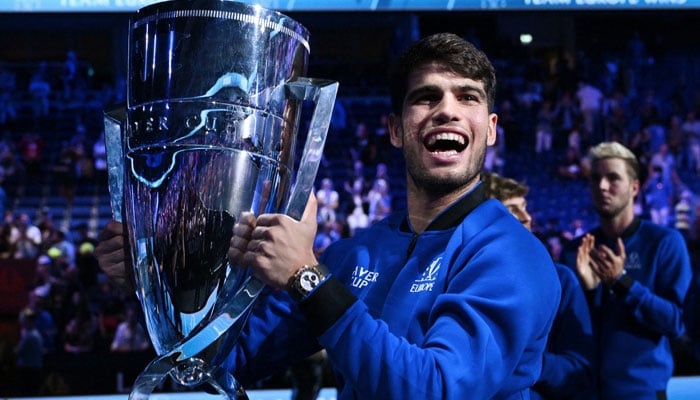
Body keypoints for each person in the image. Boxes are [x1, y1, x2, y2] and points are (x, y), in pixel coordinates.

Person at [95, 33, 561, 399]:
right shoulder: (356, 254)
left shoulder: (512, 255)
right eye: (426, 96)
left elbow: (435, 388)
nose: (446, 110)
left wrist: (305, 278)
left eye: (468, 97)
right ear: (395, 130)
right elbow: (222, 357)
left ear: (491, 130)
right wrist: (157, 280)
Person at [561, 141, 692, 400]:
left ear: (634, 187)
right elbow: (567, 333)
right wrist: (588, 291)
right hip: (583, 392)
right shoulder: (576, 250)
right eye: (595, 178)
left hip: (641, 393)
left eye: (613, 178)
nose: (601, 186)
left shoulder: (664, 243)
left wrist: (622, 282)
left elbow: (675, 322)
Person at [481, 172, 594, 400]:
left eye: (525, 207)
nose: (527, 217)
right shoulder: (458, 282)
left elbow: (579, 369)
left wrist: (526, 361)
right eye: (512, 210)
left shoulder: (561, 280)